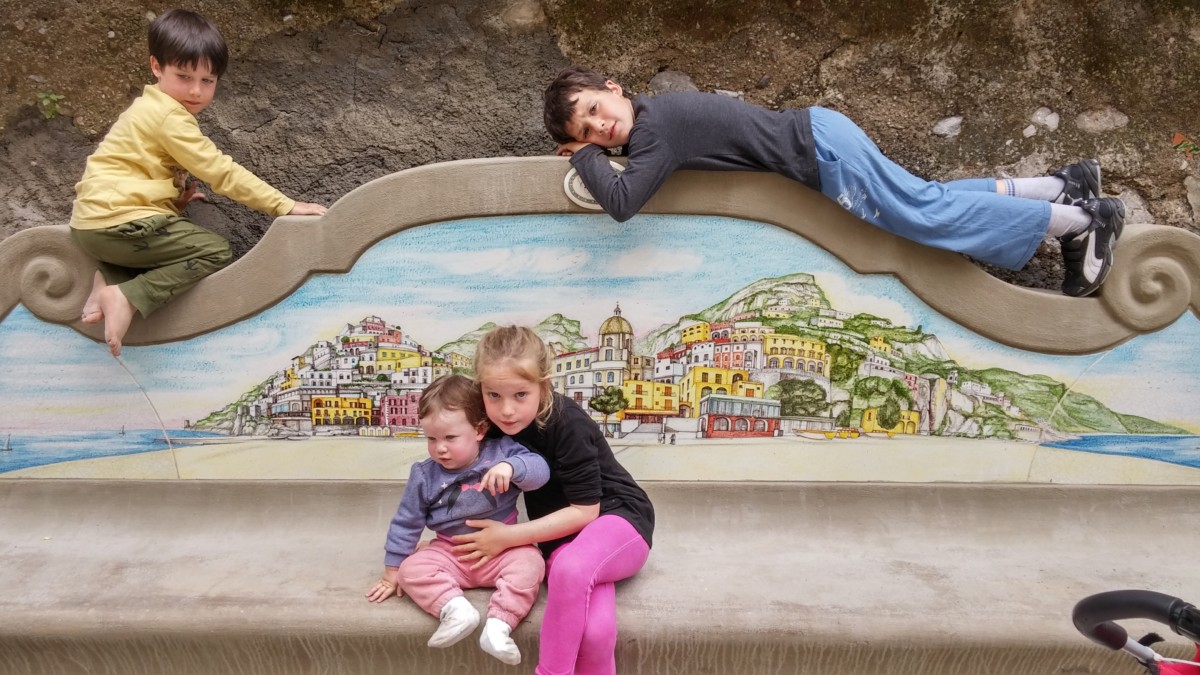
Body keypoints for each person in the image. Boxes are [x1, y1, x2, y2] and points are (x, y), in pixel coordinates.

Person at [543, 65, 1125, 298]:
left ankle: (1081, 222)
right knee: (927, 199)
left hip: (821, 153)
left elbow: (622, 201)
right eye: (587, 131)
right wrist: (598, 150)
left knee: (923, 216)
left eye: (595, 109)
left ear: (614, 88)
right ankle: (1060, 187)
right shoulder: (656, 122)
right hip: (821, 134)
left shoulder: (653, 131)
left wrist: (582, 157)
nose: (600, 126)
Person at [70, 9, 328, 357]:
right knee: (214, 250)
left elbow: (126, 171)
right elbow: (221, 171)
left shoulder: (149, 108)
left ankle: (109, 278)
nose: (196, 90)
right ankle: (125, 296)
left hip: (92, 226)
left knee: (161, 249)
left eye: (208, 80)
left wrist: (171, 203)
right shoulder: (169, 117)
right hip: (117, 223)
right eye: (184, 76)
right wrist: (285, 205)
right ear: (156, 66)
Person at [452, 325, 656, 675]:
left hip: (618, 519)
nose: (507, 409)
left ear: (543, 387)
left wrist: (508, 537)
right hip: (561, 538)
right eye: (494, 395)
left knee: (571, 568)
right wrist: (438, 539)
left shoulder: (567, 422)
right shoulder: (491, 426)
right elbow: (456, 479)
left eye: (520, 394)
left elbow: (586, 510)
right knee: (594, 633)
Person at [365, 374, 549, 666]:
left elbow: (541, 472)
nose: (440, 448)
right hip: (450, 552)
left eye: (450, 438)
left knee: (531, 563)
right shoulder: (425, 474)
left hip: (502, 550)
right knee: (411, 570)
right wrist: (392, 571)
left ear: (479, 430)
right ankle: (456, 610)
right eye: (431, 439)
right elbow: (407, 522)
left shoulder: (502, 452)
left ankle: (499, 626)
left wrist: (512, 467)